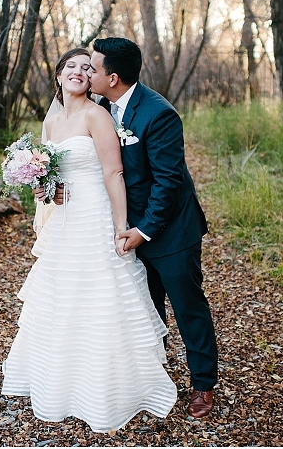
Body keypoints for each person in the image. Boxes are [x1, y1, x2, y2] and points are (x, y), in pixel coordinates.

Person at [1, 48, 177, 433]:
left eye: (87, 67)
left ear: (94, 77)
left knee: (101, 297)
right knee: (63, 298)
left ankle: (109, 387)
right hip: (64, 221)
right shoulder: (51, 123)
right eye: (71, 66)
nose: (79, 71)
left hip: (94, 216)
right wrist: (45, 190)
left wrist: (119, 229)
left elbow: (114, 173)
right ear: (59, 76)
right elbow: (46, 181)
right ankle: (62, 381)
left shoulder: (96, 115)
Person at [88, 37, 218, 418]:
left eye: (93, 68)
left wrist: (143, 231)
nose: (88, 73)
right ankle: (153, 374)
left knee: (187, 306)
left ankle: (203, 384)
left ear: (113, 77)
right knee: (145, 307)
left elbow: (168, 181)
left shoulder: (159, 114)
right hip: (128, 227)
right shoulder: (100, 108)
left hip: (171, 231)